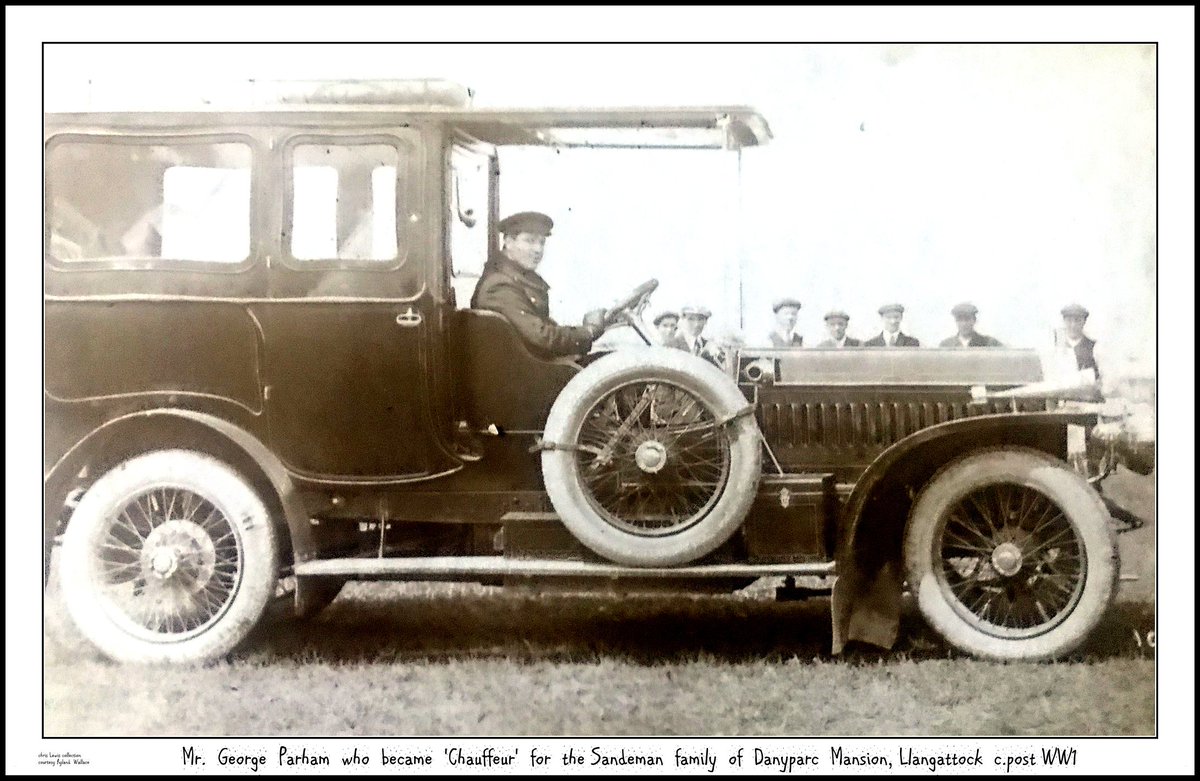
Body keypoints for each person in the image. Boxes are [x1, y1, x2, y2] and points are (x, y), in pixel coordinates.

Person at [470, 211, 605, 360]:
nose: (538, 249)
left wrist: (583, 332)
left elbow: (543, 329)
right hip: (521, 377)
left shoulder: (514, 279)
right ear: (508, 242)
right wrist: (588, 332)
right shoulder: (499, 286)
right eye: (530, 241)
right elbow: (542, 337)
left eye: (542, 242)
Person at [1059, 302, 1100, 380]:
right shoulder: (1057, 348)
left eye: (1077, 320)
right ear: (1064, 321)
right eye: (1069, 321)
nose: (1073, 325)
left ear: (1084, 322)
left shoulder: (1094, 347)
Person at [938, 302, 1003, 347]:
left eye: (967, 319)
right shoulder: (946, 345)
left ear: (974, 320)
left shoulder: (989, 343)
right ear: (956, 321)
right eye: (960, 320)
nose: (964, 324)